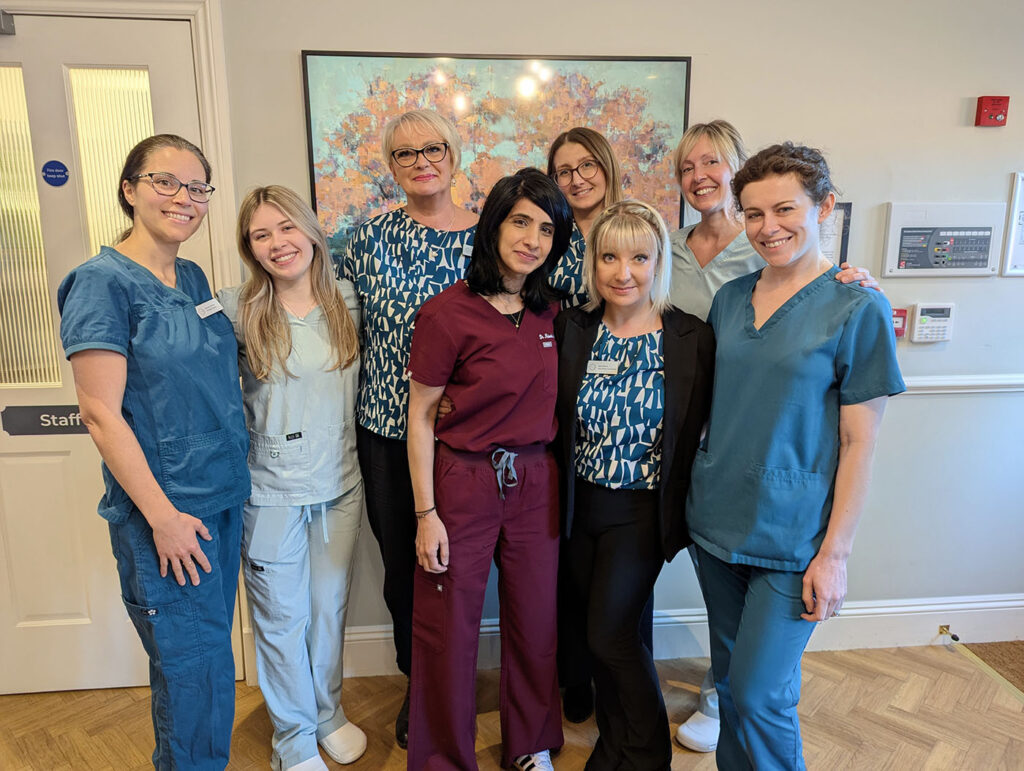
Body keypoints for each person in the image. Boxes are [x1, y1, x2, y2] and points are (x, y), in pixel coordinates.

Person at [686, 142, 905, 770]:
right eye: (753, 214)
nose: (768, 227)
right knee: (732, 686)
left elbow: (861, 441)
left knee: (761, 695)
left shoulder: (857, 305)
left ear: (824, 207)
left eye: (785, 209)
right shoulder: (731, 299)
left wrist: (835, 555)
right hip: (717, 523)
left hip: (795, 537)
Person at [57, 134, 250, 770]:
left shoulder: (190, 276)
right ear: (129, 189)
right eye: (165, 182)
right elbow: (100, 414)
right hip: (168, 512)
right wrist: (163, 518)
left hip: (220, 497)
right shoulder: (102, 283)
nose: (183, 198)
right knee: (191, 673)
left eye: (197, 187)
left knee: (209, 662)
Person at [405, 168, 573, 771]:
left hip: (537, 481)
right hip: (464, 481)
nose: (532, 239)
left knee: (535, 620)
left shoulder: (556, 313)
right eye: (520, 222)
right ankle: (443, 758)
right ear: (495, 225)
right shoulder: (445, 314)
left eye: (546, 229)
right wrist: (426, 514)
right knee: (448, 626)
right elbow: (420, 417)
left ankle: (529, 745)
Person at [553, 201, 714, 769]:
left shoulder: (691, 337)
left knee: (611, 635)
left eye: (639, 258)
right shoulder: (572, 329)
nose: (623, 273)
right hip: (578, 508)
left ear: (659, 263)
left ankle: (645, 756)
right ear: (593, 264)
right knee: (593, 636)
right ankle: (614, 746)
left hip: (641, 511)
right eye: (609, 258)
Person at [341, 109, 478, 748]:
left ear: (455, 154)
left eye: (433, 148)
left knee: (464, 569)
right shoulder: (368, 239)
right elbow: (330, 316)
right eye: (405, 153)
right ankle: (419, 685)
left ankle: (458, 684)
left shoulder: (492, 237)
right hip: (388, 435)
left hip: (470, 439)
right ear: (390, 167)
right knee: (405, 568)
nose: (421, 161)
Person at [218, 186, 366, 771]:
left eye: (286, 228)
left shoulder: (348, 301)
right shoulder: (234, 309)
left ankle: (326, 711)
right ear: (249, 248)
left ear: (310, 232)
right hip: (270, 491)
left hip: (341, 484)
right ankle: (294, 740)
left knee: (328, 609)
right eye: (261, 235)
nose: (277, 243)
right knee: (282, 619)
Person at [546, 127, 625, 308]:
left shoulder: (637, 230)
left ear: (607, 166)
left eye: (587, 165)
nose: (577, 181)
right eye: (564, 172)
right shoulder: (547, 235)